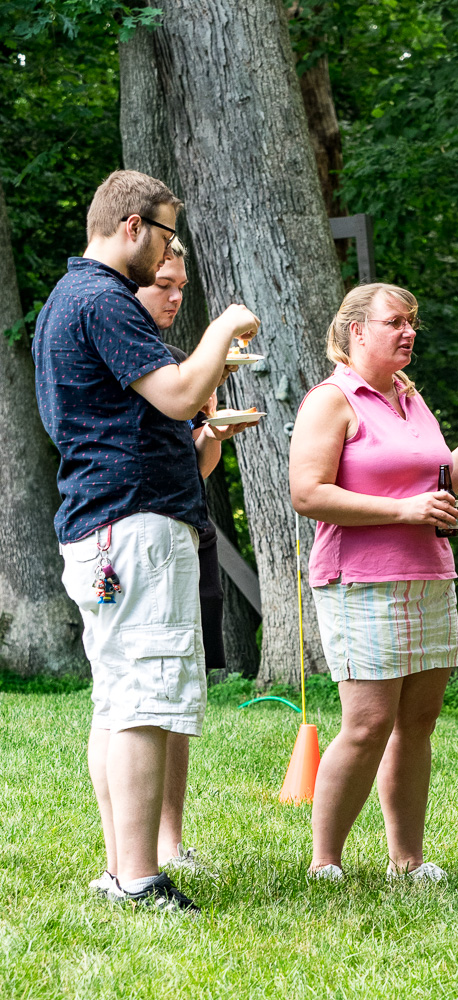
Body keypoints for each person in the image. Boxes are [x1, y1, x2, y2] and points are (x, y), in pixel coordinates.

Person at [33, 170, 259, 914]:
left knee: (119, 700)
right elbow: (178, 394)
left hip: (106, 526)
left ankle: (118, 869)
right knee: (143, 703)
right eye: (165, 236)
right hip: (131, 529)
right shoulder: (103, 298)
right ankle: (138, 878)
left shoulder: (69, 298)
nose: (168, 252)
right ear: (132, 226)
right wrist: (224, 329)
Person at [289, 282, 458, 880]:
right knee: (367, 725)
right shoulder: (332, 400)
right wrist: (403, 511)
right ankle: (325, 861)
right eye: (395, 322)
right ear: (357, 330)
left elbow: (444, 479)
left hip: (429, 574)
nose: (409, 332)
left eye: (412, 322)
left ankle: (406, 861)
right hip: (360, 581)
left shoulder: (409, 397)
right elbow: (307, 493)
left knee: (418, 723)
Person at [135, 240, 253, 869]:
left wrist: (212, 435)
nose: (176, 297)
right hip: (141, 539)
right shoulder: (133, 359)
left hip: (191, 531)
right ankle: (138, 853)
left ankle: (170, 842)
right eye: (164, 285)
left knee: (182, 691)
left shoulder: (179, 361)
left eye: (182, 287)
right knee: (148, 695)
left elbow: (195, 468)